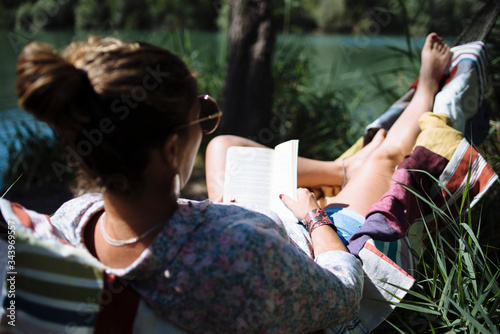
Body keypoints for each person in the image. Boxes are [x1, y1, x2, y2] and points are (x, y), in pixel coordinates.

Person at [6, 35, 367, 333]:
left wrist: (219, 213)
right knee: (380, 167)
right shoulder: (240, 252)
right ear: (170, 149)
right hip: (311, 243)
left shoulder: (70, 221)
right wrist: (315, 219)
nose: (206, 125)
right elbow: (344, 296)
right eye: (202, 117)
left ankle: (355, 161)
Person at [206, 33, 451, 237]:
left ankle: (342, 169)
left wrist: (219, 211)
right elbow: (337, 272)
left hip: (246, 226)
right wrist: (312, 216)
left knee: (222, 145)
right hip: (305, 240)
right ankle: (427, 88)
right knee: (387, 158)